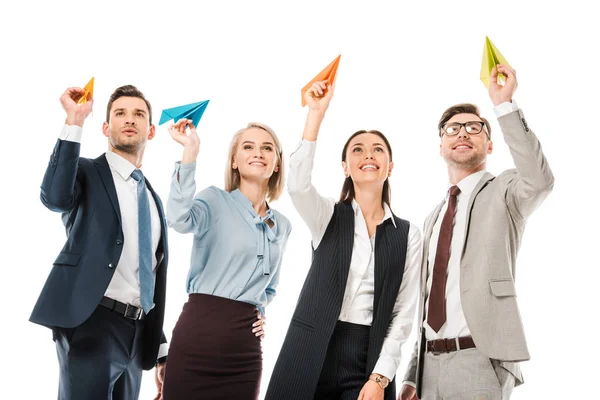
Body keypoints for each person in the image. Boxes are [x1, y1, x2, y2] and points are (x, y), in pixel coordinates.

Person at [399, 65, 554, 400]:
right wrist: (413, 371)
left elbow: (540, 180)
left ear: (490, 144)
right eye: (452, 129)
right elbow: (427, 300)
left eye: (474, 127)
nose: (462, 133)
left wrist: (503, 105)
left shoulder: (506, 192)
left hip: (480, 360)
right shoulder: (431, 219)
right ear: (440, 146)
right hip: (427, 367)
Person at [265, 81, 422, 400]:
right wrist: (315, 115)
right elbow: (297, 186)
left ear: (390, 167)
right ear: (345, 167)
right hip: (308, 349)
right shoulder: (327, 216)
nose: (369, 155)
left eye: (378, 149)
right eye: (358, 150)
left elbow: (403, 312)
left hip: (368, 358)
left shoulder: (408, 234)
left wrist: (380, 378)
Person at [30, 85, 169, 400]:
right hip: (92, 322)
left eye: (138, 114)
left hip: (136, 337)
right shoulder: (86, 173)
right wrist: (75, 120)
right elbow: (54, 197)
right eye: (120, 113)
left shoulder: (151, 198)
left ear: (151, 130)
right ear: (106, 127)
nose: (129, 120)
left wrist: (159, 348)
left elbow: (145, 278)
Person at [162, 118, 292, 399]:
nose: (258, 153)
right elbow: (177, 218)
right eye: (248, 146)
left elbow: (269, 287)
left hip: (245, 350)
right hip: (199, 337)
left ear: (277, 163)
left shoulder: (282, 225)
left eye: (267, 148)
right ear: (235, 161)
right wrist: (190, 153)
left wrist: (261, 311)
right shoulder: (214, 201)